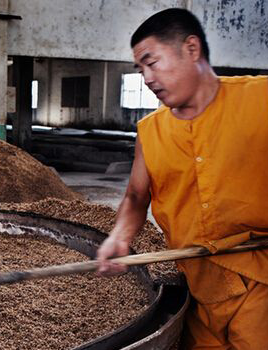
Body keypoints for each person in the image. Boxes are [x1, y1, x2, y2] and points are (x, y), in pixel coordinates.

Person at [95, 8, 268, 349]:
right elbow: (135, 197)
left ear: (191, 49)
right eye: (140, 69)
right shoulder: (151, 131)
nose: (146, 77)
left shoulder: (259, 99)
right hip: (199, 288)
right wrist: (120, 236)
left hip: (260, 281)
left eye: (152, 62)